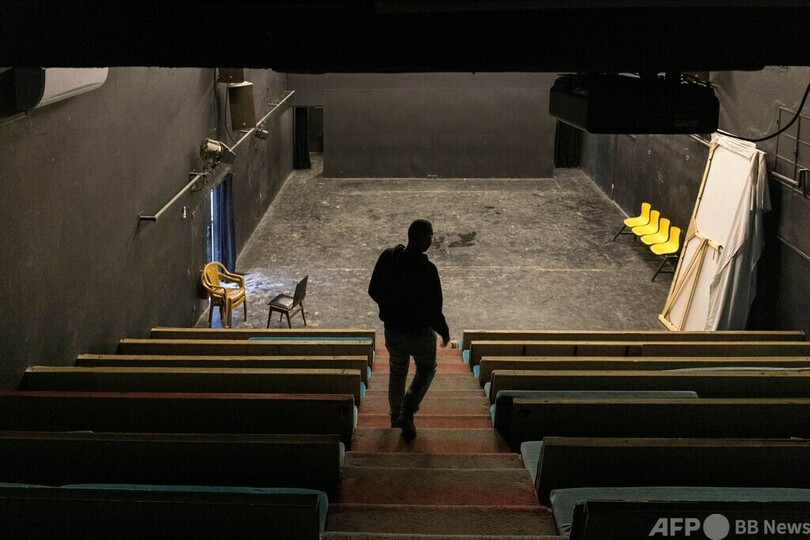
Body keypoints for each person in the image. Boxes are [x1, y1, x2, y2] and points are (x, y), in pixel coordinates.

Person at [368, 219, 450, 443]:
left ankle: (396, 415)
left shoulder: (388, 257)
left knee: (397, 371)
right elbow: (435, 309)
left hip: (393, 331)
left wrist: (389, 308)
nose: (431, 241)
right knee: (426, 369)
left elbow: (373, 289)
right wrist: (443, 331)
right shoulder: (428, 270)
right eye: (429, 237)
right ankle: (408, 410)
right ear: (422, 240)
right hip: (419, 334)